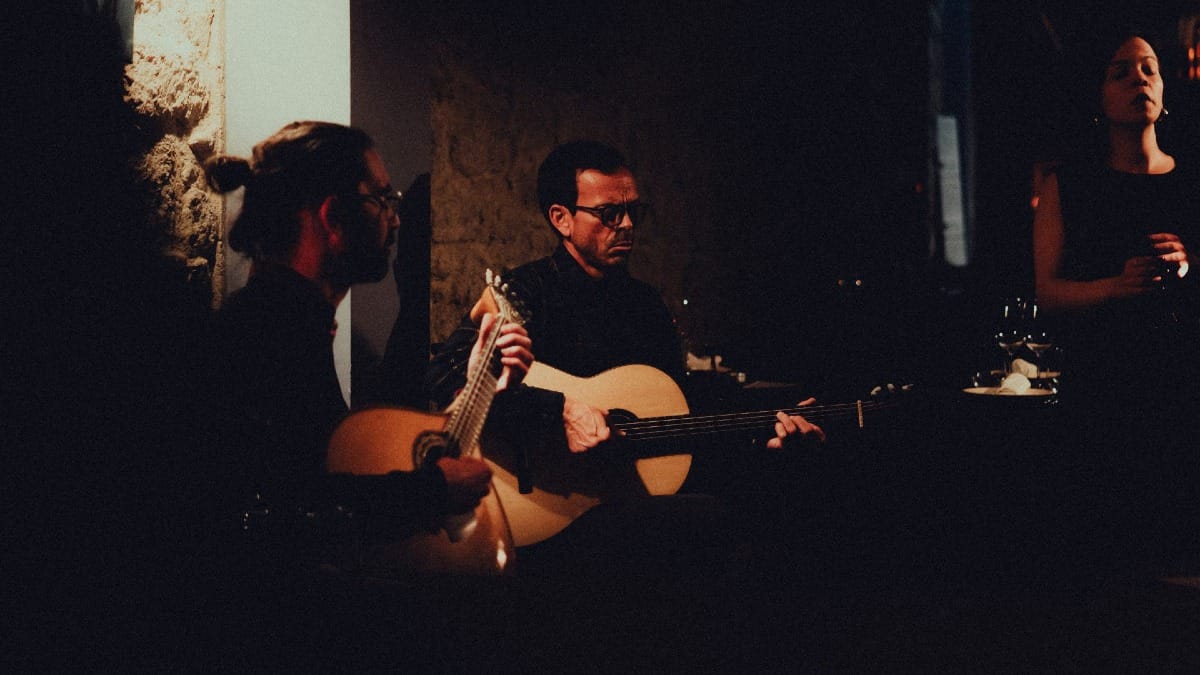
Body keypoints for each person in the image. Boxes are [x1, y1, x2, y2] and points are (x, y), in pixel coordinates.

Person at [423, 140, 825, 594]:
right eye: (610, 214)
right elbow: (446, 373)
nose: (628, 225)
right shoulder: (525, 293)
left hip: (618, 498)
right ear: (561, 219)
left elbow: (675, 411)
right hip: (545, 508)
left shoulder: (644, 305)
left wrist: (763, 427)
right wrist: (559, 410)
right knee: (709, 523)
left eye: (634, 210)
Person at [202, 121, 533, 573]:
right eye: (381, 199)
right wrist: (431, 493)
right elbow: (271, 514)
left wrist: (480, 385)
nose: (394, 218)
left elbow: (329, 475)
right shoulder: (263, 336)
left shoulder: (290, 322)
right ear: (333, 218)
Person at [1031, 28, 1200, 565]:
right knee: (1110, 558)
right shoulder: (1069, 185)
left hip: (1183, 385)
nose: (1140, 80)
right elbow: (1046, 294)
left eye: (1149, 68)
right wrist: (1115, 287)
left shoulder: (1192, 179)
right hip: (1104, 390)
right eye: (1120, 72)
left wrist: (1190, 263)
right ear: (1098, 96)